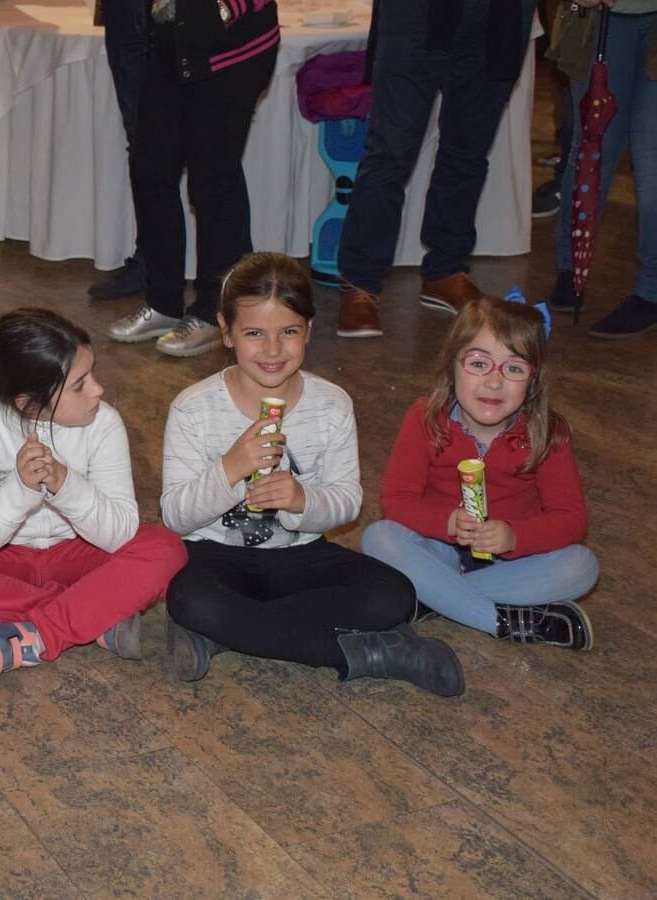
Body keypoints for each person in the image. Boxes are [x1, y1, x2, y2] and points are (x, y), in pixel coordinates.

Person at [160, 253, 464, 696]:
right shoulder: (193, 408)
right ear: (225, 331)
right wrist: (230, 469)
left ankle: (234, 631)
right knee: (191, 599)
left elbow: (347, 500)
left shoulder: (332, 403)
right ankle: (373, 654)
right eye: (253, 333)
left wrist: (303, 500)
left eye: (288, 332)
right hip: (217, 556)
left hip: (301, 555)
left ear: (308, 330)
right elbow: (175, 517)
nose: (272, 349)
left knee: (393, 594)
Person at [0, 309, 188, 690]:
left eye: (92, 373)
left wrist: (66, 485)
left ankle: (29, 638)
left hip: (82, 552)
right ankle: (96, 614)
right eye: (79, 385)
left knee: (166, 549)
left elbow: (121, 533)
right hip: (3, 560)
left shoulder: (104, 423)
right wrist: (19, 491)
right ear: (27, 403)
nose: (98, 390)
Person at [362, 297, 599, 649]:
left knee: (582, 566)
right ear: (452, 365)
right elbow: (397, 502)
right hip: (438, 549)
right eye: (478, 363)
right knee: (378, 538)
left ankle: (434, 598)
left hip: (512, 564)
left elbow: (571, 520)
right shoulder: (426, 418)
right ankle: (502, 621)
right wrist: (447, 522)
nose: (493, 383)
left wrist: (514, 536)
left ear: (533, 381)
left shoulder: (546, 433)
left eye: (514, 369)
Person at [334, 0, 535, 338]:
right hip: (417, 10)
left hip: (502, 11)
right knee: (390, 152)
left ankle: (446, 268)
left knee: (469, 150)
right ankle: (360, 281)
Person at [108, 0, 280, 358]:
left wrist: (226, 9)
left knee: (213, 180)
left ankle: (211, 311)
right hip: (171, 45)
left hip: (231, 51)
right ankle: (163, 303)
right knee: (150, 171)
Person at [543, 0, 657, 339]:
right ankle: (570, 269)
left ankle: (652, 289)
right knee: (591, 149)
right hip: (597, 20)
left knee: (651, 155)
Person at [87, 0, 153, 301]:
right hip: (125, 13)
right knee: (141, 140)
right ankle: (149, 260)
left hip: (187, 14)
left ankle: (217, 273)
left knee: (205, 146)